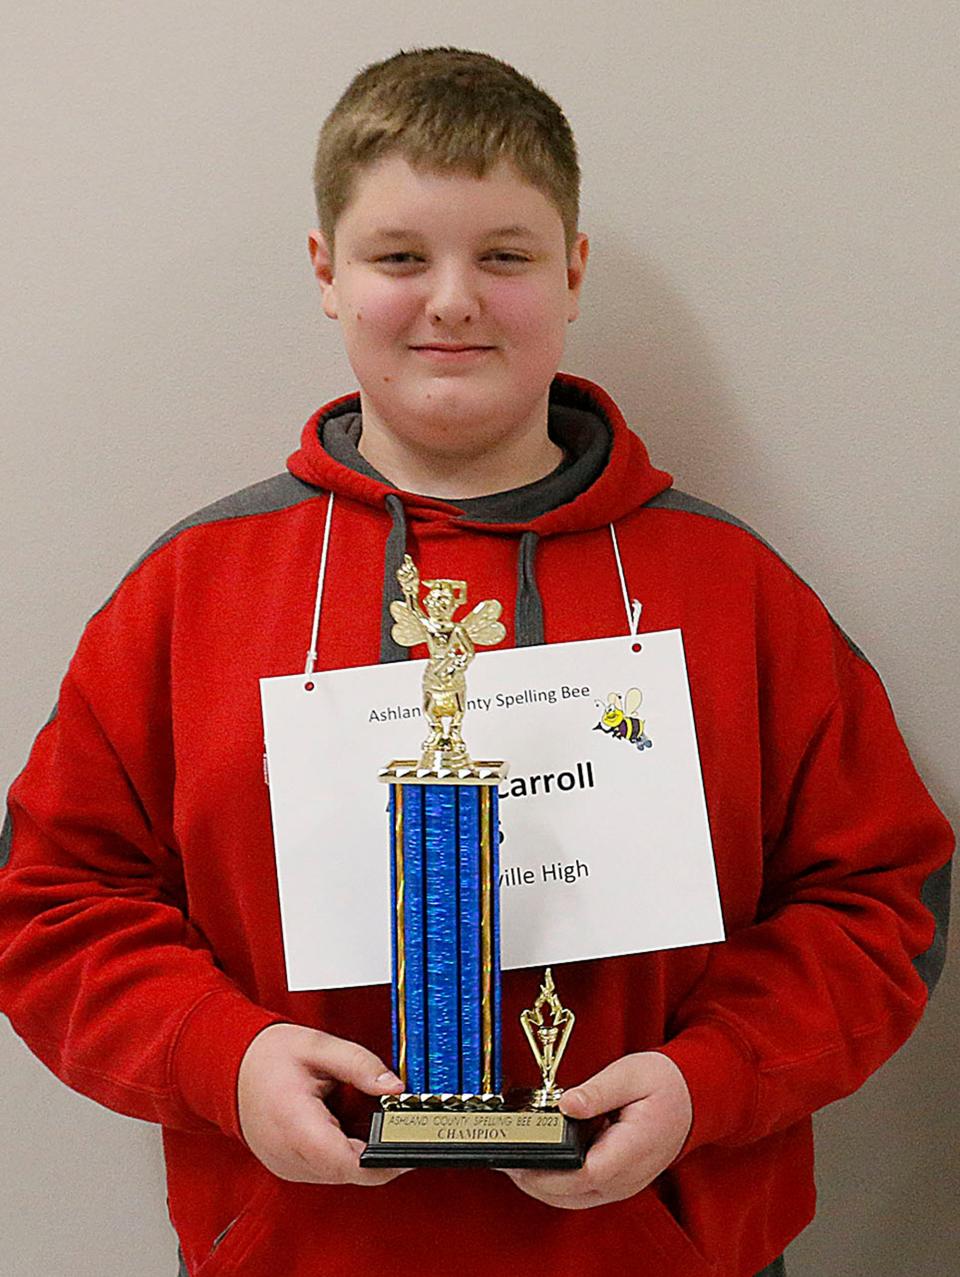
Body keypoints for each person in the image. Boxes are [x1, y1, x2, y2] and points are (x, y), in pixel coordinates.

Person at [0, 47, 952, 1277]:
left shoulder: (738, 590)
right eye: (400, 256)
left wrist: (705, 1078)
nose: (452, 299)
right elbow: (54, 903)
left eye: (504, 254)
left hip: (657, 1251)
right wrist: (221, 1059)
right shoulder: (192, 591)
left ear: (572, 271)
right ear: (327, 276)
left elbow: (880, 900)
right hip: (302, 1250)